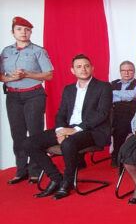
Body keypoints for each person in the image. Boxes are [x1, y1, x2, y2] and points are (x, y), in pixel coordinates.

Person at [24, 54, 112, 200]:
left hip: (92, 130)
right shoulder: (68, 89)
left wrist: (75, 130)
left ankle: (68, 181)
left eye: (86, 66)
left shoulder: (104, 87)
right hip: (68, 128)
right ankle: (56, 178)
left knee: (68, 142)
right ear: (73, 70)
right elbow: (61, 113)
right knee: (29, 143)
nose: (83, 69)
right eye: (79, 67)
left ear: (92, 68)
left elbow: (102, 114)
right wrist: (60, 131)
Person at [1, 17, 53, 185]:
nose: (23, 32)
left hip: (33, 95)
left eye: (27, 30)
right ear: (13, 32)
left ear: (31, 32)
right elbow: (1, 76)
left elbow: (49, 75)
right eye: (19, 29)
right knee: (17, 135)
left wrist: (27, 75)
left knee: (35, 134)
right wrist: (10, 78)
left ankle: (35, 171)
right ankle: (21, 170)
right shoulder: (6, 52)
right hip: (14, 96)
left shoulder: (38, 51)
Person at [110, 60, 136, 167]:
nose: (126, 73)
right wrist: (122, 96)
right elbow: (106, 96)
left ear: (134, 72)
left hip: (130, 115)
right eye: (123, 70)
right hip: (113, 114)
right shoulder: (113, 83)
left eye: (129, 70)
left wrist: (113, 94)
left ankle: (117, 155)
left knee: (120, 128)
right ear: (120, 72)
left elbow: (132, 95)